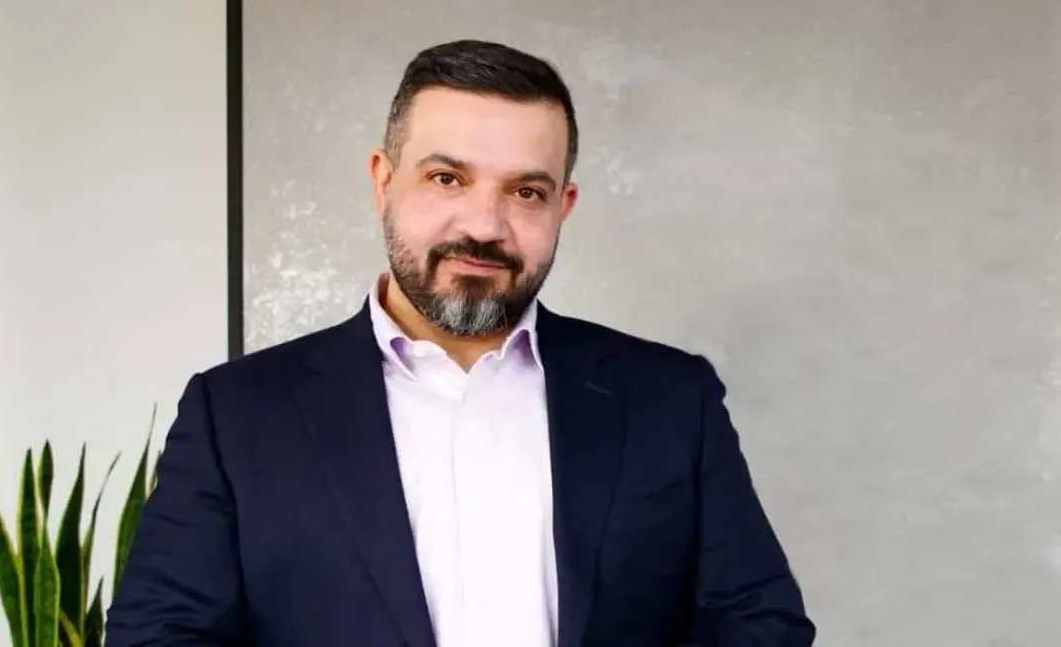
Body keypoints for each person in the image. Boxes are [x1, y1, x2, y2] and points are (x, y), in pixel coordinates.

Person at [105, 39, 816, 647]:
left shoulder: (671, 399)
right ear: (384, 181)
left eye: (526, 192)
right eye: (447, 179)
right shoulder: (236, 415)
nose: (483, 225)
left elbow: (759, 623)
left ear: (563, 206)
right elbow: (159, 636)